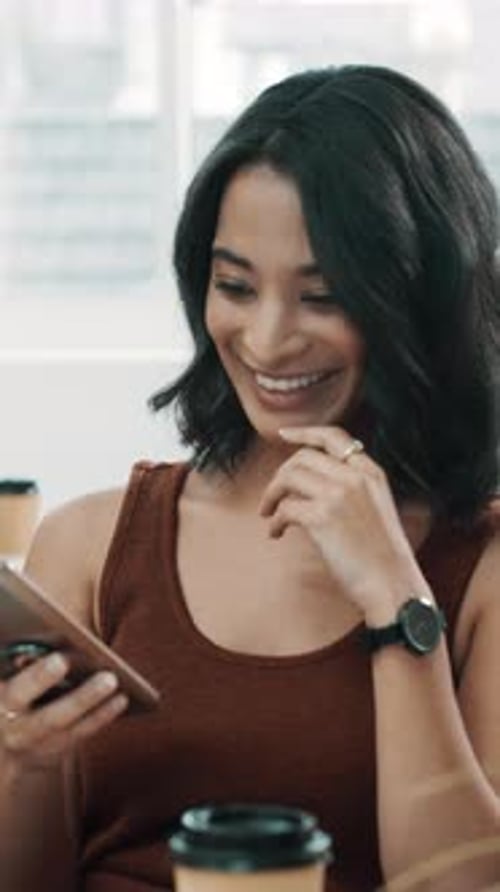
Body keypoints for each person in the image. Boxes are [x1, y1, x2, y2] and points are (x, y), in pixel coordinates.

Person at [1, 64, 499, 892]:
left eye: (323, 296)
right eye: (234, 286)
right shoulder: (89, 545)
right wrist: (20, 765)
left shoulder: (479, 563)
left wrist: (395, 602)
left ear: (419, 299)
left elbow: (462, 885)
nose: (267, 340)